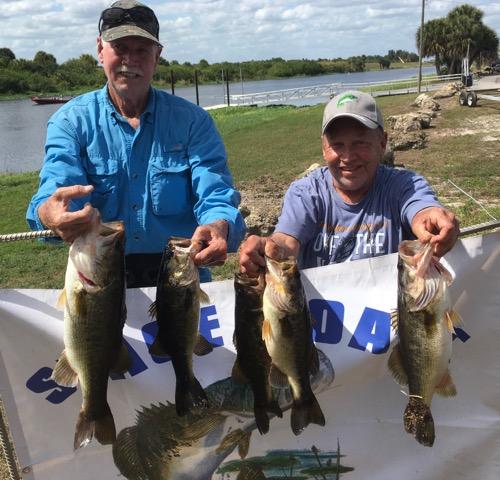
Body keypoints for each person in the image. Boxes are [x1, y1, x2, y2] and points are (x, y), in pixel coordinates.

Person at [26, 0, 245, 287]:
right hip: (99, 278)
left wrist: (218, 225)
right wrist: (49, 214)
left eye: (142, 49)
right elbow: (55, 189)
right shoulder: (69, 122)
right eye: (120, 48)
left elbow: (215, 193)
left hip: (180, 277)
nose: (130, 60)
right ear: (100, 50)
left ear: (157, 55)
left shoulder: (194, 122)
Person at [240, 90, 459, 275]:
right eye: (337, 145)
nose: (348, 157)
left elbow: (421, 208)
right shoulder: (306, 193)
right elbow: (287, 241)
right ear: (324, 148)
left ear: (382, 143)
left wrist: (430, 219)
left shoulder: (403, 185)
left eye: (360, 143)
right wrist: (271, 250)